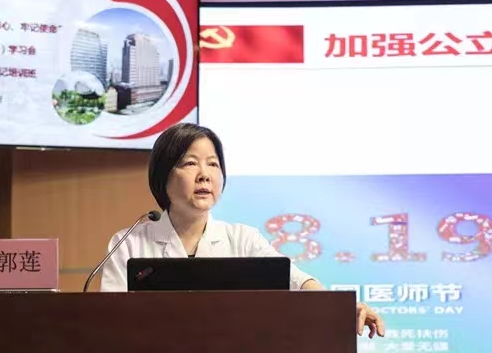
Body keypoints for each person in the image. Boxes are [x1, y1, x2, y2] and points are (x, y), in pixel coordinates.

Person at [99, 123, 385, 338]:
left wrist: (340, 308)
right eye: (190, 163)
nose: (205, 174)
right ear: (162, 176)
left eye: (213, 164)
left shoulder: (242, 238)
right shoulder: (129, 242)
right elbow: (108, 320)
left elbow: (294, 280)